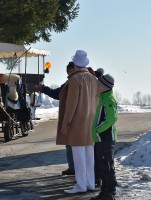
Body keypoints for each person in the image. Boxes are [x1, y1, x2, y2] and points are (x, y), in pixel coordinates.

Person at [57, 50, 98, 194]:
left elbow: (71, 104)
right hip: (91, 121)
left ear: (75, 63)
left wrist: (66, 123)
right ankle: (90, 183)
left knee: (78, 155)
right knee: (89, 155)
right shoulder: (94, 79)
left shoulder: (75, 79)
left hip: (77, 122)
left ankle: (80, 185)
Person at [37, 61, 76, 176]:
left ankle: (77, 168)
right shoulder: (68, 82)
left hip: (75, 117)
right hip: (70, 117)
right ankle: (73, 167)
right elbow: (57, 93)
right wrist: (43, 88)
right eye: (69, 71)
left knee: (75, 144)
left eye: (72, 70)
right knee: (69, 143)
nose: (70, 72)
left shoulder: (76, 82)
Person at [91, 74, 117, 200]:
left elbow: (111, 119)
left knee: (107, 166)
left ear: (105, 87)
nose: (97, 86)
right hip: (100, 140)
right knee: (102, 166)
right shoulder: (103, 98)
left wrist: (97, 129)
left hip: (105, 139)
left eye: (99, 85)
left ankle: (109, 193)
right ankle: (104, 191)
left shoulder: (109, 100)